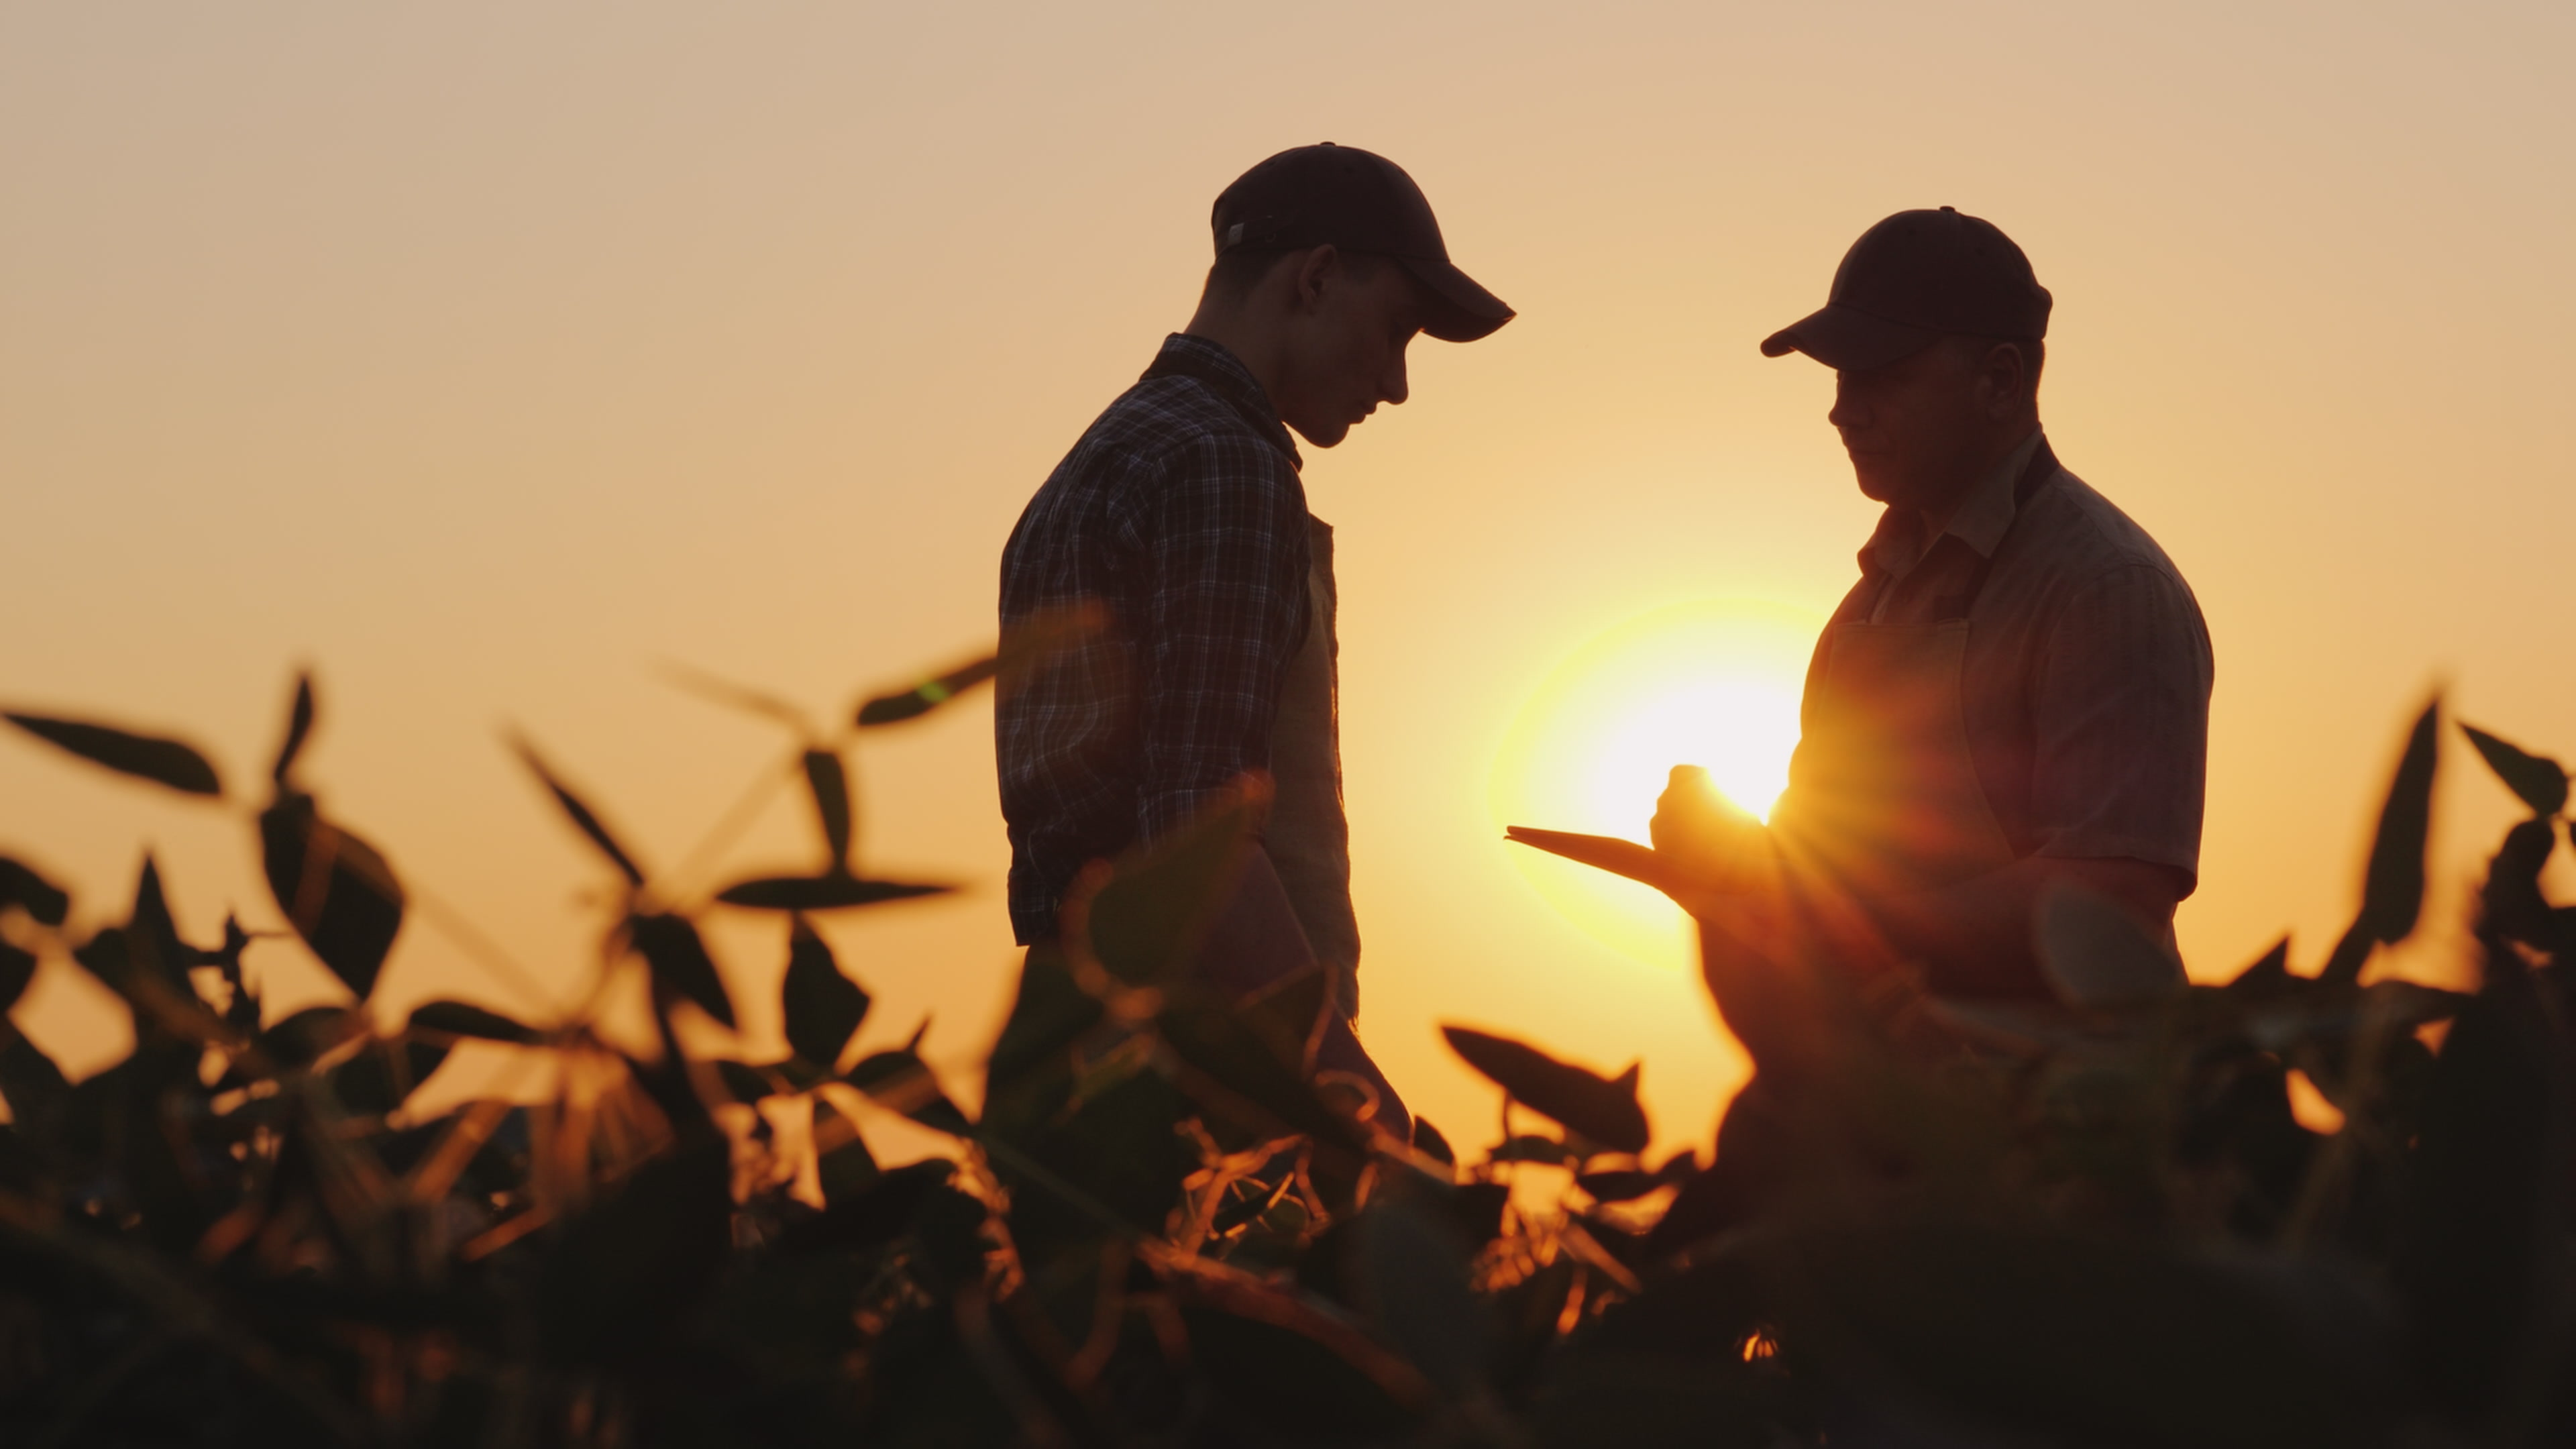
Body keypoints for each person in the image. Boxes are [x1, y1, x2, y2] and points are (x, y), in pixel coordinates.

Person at [1521, 207, 2212, 1002]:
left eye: (1882, 376)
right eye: (1842, 379)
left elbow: (2110, 903)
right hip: (1898, 1095)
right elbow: (1830, 860)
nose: (1843, 410)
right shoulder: (1866, 607)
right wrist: (1734, 858)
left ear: (2000, 380)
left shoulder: (2107, 590)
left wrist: (1826, 925)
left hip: (2074, 1109)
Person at [997, 143, 1513, 1137]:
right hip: (1202, 1077)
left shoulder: (1100, 460)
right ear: (1317, 277)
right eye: (1397, 331)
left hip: (1073, 1052)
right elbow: (1198, 832)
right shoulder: (1225, 463)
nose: (1399, 384)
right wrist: (1350, 1098)